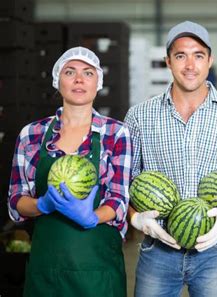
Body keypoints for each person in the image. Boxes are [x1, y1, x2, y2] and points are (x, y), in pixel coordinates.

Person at [124, 21, 217, 297]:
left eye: (198, 55)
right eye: (180, 55)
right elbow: (122, 182)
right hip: (157, 247)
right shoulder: (139, 117)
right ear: (168, 62)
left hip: (216, 250)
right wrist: (136, 218)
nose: (190, 64)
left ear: (209, 61)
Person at [7, 47, 132, 297]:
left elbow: (118, 201)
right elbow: (15, 201)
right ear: (57, 81)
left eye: (88, 73)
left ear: (98, 83)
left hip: (98, 275)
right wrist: (42, 205)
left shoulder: (116, 133)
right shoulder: (31, 134)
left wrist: (92, 217)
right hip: (46, 275)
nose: (79, 79)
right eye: (69, 72)